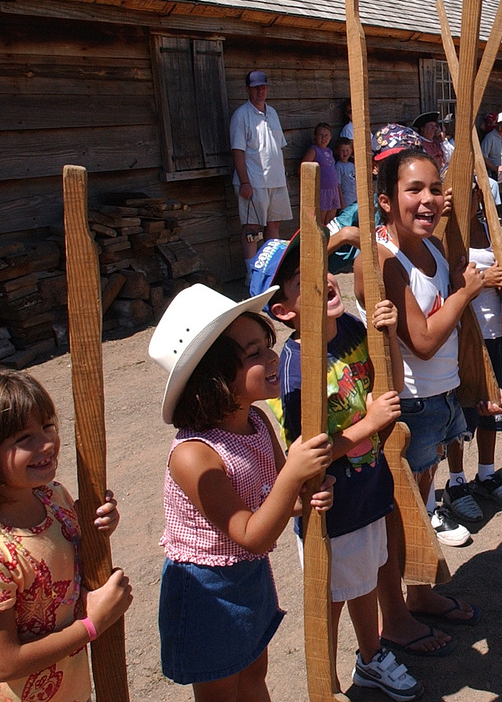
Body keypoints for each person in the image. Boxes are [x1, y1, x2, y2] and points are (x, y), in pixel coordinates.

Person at [251, 236, 431, 699]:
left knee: (363, 581)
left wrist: (387, 336)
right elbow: (302, 457)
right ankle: (324, 680)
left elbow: (387, 391)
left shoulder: (352, 328)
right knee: (329, 595)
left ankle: (369, 658)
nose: (323, 280)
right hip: (332, 504)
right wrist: (364, 427)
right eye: (301, 282)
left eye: (322, 269)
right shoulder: (293, 370)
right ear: (284, 311)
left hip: (367, 488)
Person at [149, 284, 334, 699]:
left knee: (253, 675)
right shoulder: (194, 455)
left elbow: (281, 501)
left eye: (268, 346)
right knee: (220, 690)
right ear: (213, 377)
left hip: (249, 575)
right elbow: (251, 533)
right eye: (254, 354)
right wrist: (293, 480)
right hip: (206, 592)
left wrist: (309, 495)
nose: (273, 358)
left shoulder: (256, 422)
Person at [0, 368, 131, 702]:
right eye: (24, 439)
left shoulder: (53, 498)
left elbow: (65, 560)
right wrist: (93, 624)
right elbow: (5, 663)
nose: (48, 442)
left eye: (48, 426)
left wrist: (97, 526)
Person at [374, 148, 502, 545]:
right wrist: (466, 293)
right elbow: (425, 340)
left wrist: (480, 380)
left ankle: (423, 582)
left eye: (434, 188)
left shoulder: (432, 247)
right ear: (386, 201)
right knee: (404, 510)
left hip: (444, 393)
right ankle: (408, 591)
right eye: (414, 189)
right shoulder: (384, 261)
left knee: (423, 492)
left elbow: (455, 327)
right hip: (412, 402)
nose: (428, 199)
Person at [443, 181, 502, 522]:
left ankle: (487, 473)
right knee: (462, 417)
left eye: (474, 193)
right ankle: (456, 482)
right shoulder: (448, 240)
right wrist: (480, 279)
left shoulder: (497, 235)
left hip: (496, 337)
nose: (470, 200)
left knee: (492, 411)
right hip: (466, 342)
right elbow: (447, 285)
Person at [230, 70, 291, 263]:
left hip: (276, 180)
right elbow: (237, 151)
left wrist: (284, 177)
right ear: (248, 89)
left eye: (263, 87)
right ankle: (251, 271)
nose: (260, 91)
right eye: (256, 88)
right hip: (254, 180)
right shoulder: (241, 115)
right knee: (252, 228)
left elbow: (279, 147)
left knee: (274, 224)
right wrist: (245, 182)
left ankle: (270, 268)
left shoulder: (272, 113)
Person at [302, 122, 342, 225]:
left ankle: (331, 240)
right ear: (315, 136)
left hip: (333, 189)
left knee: (331, 220)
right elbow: (303, 168)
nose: (323, 138)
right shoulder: (314, 150)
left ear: (330, 136)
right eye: (320, 135)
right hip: (322, 190)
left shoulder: (329, 151)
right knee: (321, 220)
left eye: (326, 135)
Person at [337, 137, 357, 212]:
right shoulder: (338, 166)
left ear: (351, 151)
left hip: (355, 199)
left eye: (347, 150)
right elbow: (338, 186)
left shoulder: (352, 165)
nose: (345, 153)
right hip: (346, 200)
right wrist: (342, 203)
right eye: (342, 151)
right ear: (337, 151)